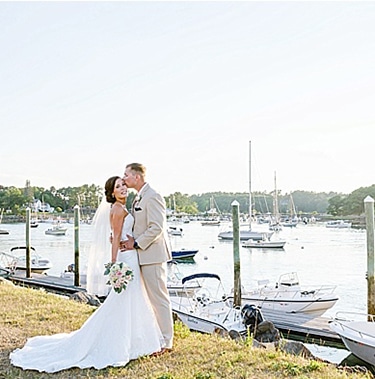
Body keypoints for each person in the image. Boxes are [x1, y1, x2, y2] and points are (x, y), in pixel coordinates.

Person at [9, 176, 165, 373]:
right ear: (112, 193)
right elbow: (116, 237)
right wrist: (114, 264)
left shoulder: (123, 207)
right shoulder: (117, 209)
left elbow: (123, 233)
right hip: (126, 259)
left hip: (132, 255)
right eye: (118, 186)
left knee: (131, 299)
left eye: (123, 184)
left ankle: (137, 339)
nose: (123, 188)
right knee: (123, 301)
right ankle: (122, 342)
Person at [122, 163, 174, 353]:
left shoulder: (153, 196)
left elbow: (156, 228)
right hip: (141, 256)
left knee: (159, 298)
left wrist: (136, 243)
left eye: (126, 175)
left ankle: (167, 341)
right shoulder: (138, 197)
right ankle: (156, 336)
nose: (124, 178)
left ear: (137, 177)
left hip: (153, 255)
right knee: (149, 299)